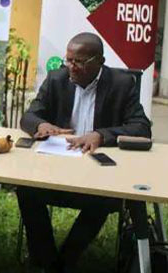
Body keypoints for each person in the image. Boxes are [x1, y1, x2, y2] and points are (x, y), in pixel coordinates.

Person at [17, 32, 151, 273]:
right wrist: (41, 125)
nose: (71, 67)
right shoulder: (57, 79)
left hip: (98, 174)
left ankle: (66, 260)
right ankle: (47, 260)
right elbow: (29, 116)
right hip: (58, 170)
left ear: (99, 61)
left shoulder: (121, 84)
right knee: (26, 190)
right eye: (68, 60)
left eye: (78, 62)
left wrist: (101, 135)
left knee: (103, 199)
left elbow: (141, 128)